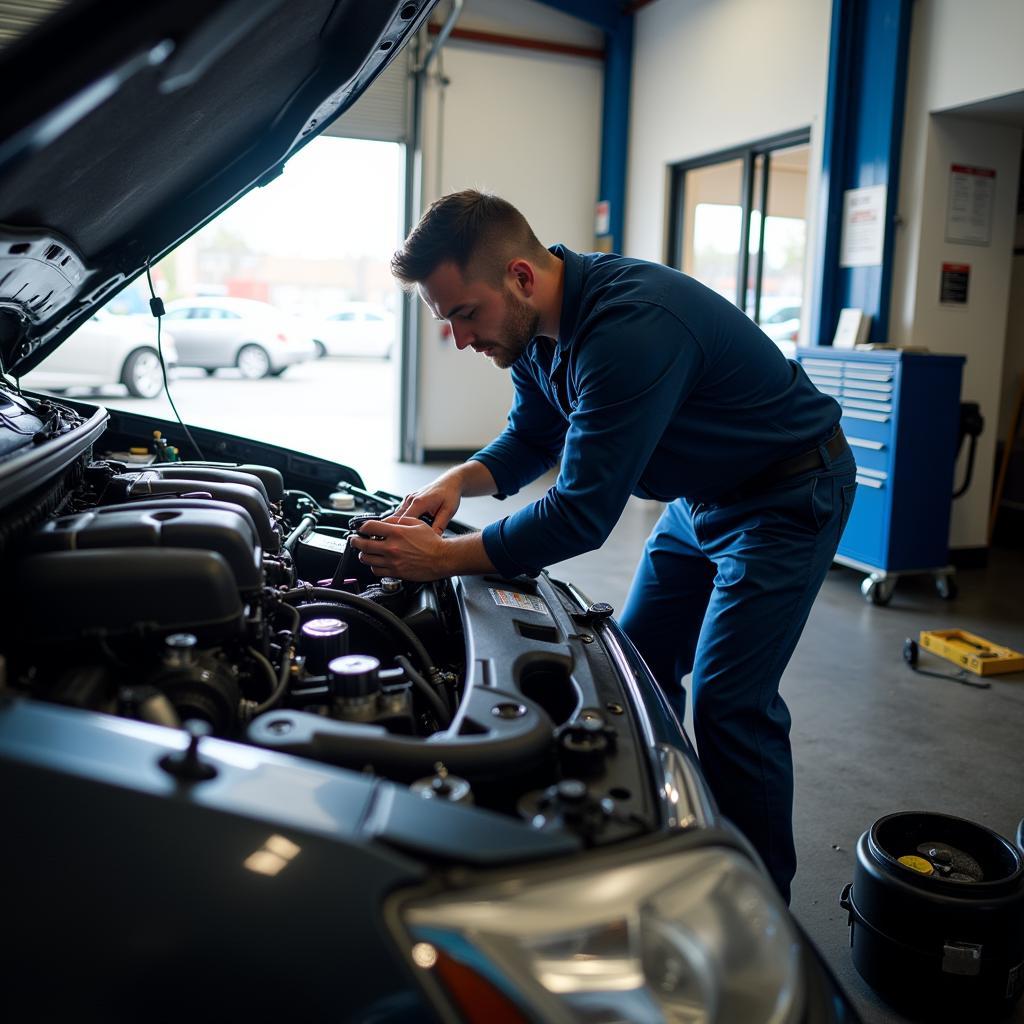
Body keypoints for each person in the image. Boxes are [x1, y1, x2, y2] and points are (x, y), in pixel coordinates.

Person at [349, 189, 856, 901]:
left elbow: (580, 516)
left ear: (521, 277)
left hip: (785, 494)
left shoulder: (628, 329)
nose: (461, 339)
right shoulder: (532, 333)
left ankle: (760, 902)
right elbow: (532, 435)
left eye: (466, 315)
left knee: (729, 702)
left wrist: (446, 558)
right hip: (701, 497)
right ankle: (671, 837)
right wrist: (459, 482)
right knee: (637, 670)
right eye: (447, 321)